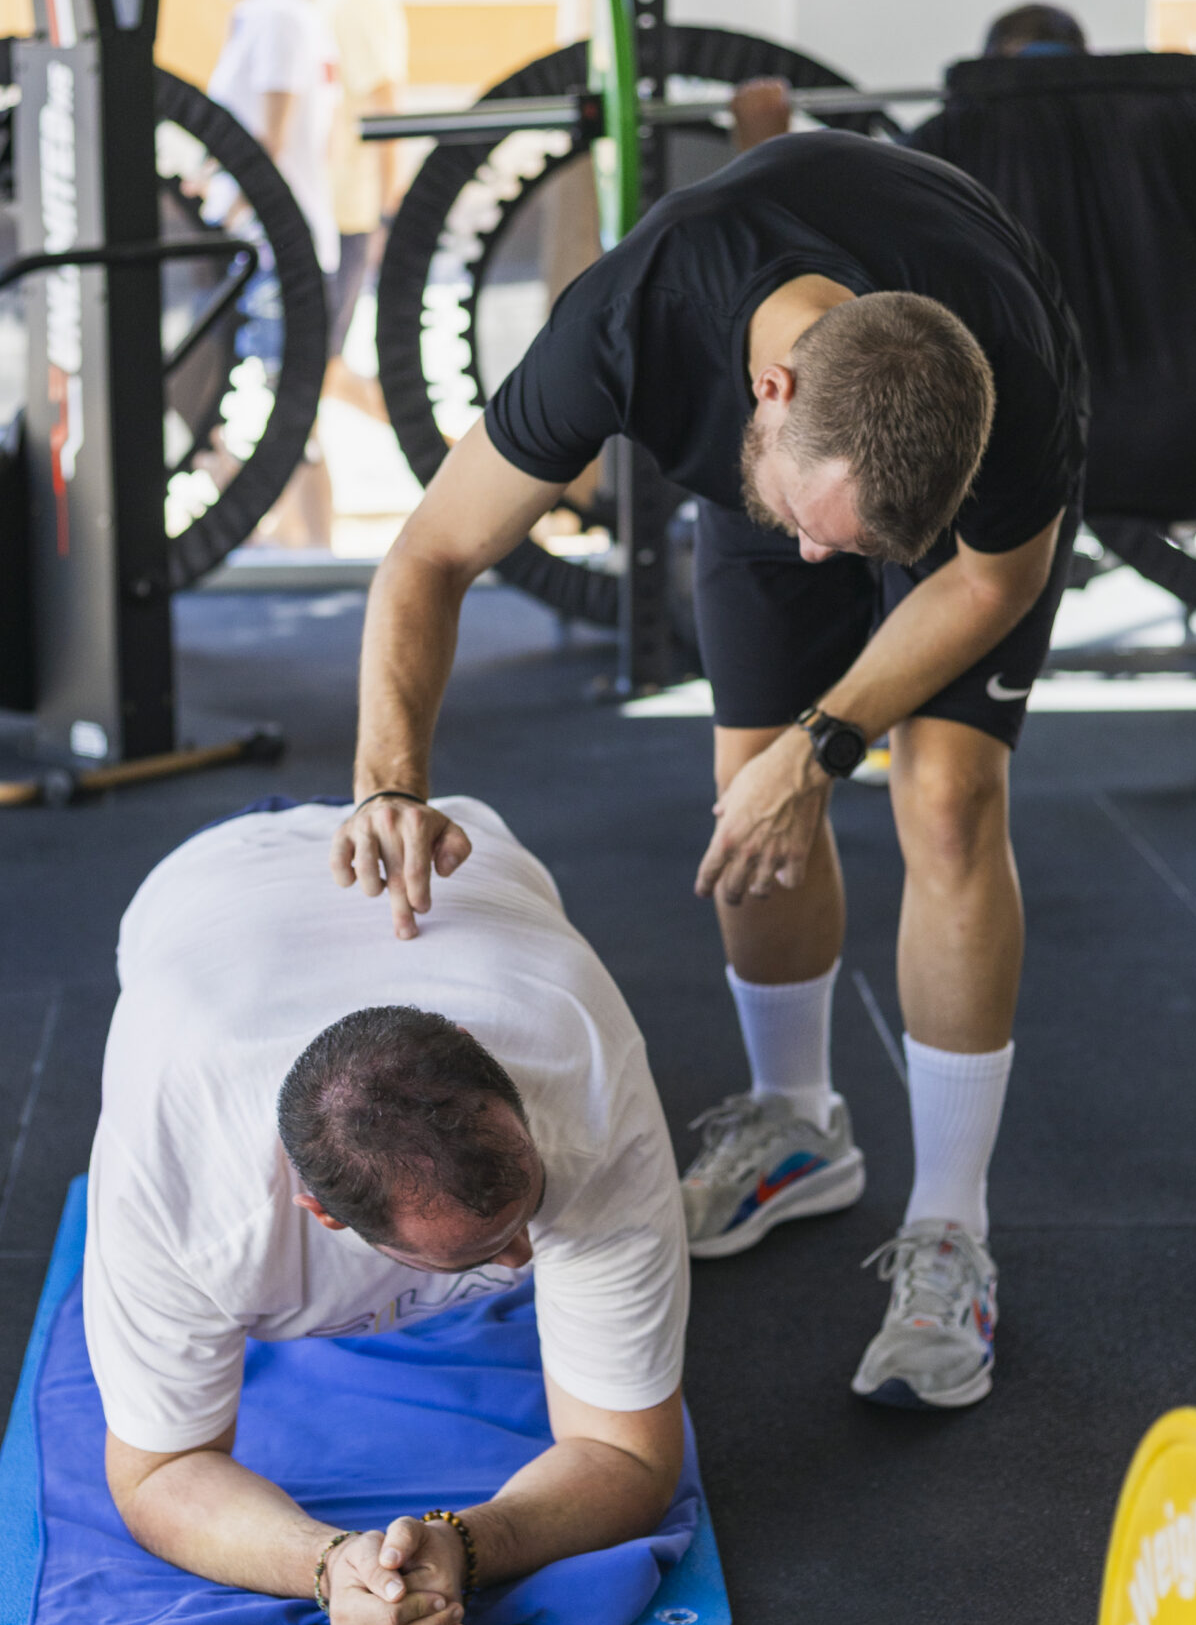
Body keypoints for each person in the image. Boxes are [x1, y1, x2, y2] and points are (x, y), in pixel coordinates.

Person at [330, 126, 1088, 1412]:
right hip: (775, 459)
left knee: (949, 800)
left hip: (944, 518)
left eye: (836, 543)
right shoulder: (630, 321)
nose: (820, 563)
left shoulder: (1006, 376)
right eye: (815, 528)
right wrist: (389, 779)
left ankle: (951, 1230)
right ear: (774, 391)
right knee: (751, 794)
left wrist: (831, 736)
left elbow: (990, 574)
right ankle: (797, 1123)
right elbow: (429, 556)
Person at [87, 799, 689, 1625]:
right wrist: (332, 1568)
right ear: (323, 1214)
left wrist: (467, 1544)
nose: (524, 1260)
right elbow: (157, 1472)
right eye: (477, 1254)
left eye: (526, 1209)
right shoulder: (185, 1193)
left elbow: (631, 1455)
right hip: (205, 878)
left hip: (469, 854)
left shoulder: (587, 1089)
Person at [904, 4, 1196, 772]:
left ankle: (901, 716)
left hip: (1019, 467)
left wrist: (762, 143)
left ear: (992, 62)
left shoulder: (950, 138)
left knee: (914, 460)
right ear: (1085, 53)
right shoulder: (1173, 118)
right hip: (1192, 443)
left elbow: (831, 272)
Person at [204, 0, 343, 546]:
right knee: (276, 409)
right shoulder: (272, 13)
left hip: (270, 247)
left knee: (290, 413)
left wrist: (220, 212)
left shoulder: (278, 17)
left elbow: (268, 139)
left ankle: (311, 551)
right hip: (260, 243)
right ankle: (287, 545)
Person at [266, 0, 410, 407]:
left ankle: (458, 456)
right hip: (308, 206)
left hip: (345, 210)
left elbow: (385, 104)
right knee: (309, 376)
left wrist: (383, 215)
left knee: (314, 374)